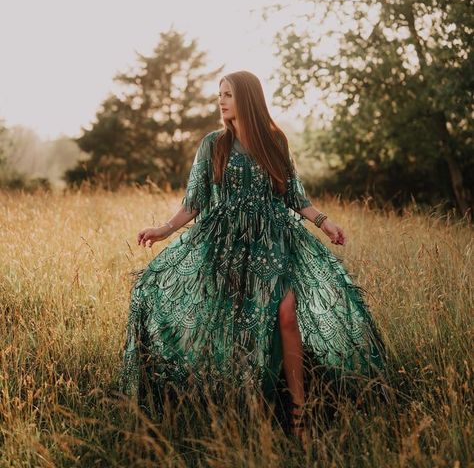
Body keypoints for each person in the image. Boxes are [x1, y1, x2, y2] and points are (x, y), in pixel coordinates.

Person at [119, 70, 387, 443]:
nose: (221, 100)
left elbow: (294, 196)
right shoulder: (213, 144)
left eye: (228, 94)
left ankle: (299, 414)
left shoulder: (275, 141)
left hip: (274, 244)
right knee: (238, 328)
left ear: (247, 98)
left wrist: (324, 223)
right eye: (220, 94)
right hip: (225, 246)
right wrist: (164, 229)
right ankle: (242, 411)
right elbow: (195, 201)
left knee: (286, 314)